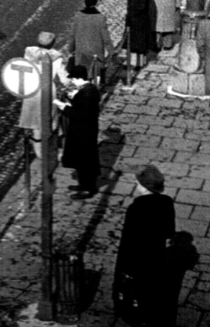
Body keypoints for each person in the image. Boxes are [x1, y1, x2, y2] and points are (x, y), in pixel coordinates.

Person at [113, 165, 177, 326]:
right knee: (153, 289)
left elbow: (128, 239)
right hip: (156, 255)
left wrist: (124, 266)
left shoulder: (136, 209)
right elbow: (169, 231)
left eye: (137, 183)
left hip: (137, 258)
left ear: (143, 186)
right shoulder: (166, 202)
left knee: (136, 290)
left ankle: (137, 317)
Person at [54, 65, 102, 198]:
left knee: (85, 160)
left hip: (84, 132)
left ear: (78, 78)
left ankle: (88, 188)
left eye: (73, 80)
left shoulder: (87, 94)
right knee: (82, 160)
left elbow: (81, 114)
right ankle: (83, 184)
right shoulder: (89, 90)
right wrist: (73, 98)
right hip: (85, 130)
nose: (72, 82)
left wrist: (63, 107)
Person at [19, 31, 67, 157]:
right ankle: (50, 150)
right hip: (47, 90)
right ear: (53, 43)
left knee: (33, 121)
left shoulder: (28, 51)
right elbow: (63, 78)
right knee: (49, 119)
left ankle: (36, 149)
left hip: (31, 89)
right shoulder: (56, 57)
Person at [66, 0, 114, 83]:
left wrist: (71, 49)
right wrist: (111, 52)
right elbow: (105, 38)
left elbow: (72, 34)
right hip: (96, 51)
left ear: (85, 3)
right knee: (95, 73)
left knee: (82, 73)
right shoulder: (100, 18)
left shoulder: (78, 16)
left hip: (81, 50)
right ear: (96, 4)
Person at [125, 0, 155, 70]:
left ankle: (137, 63)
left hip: (138, 20)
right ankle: (137, 62)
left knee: (138, 42)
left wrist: (133, 14)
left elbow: (141, 5)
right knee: (137, 41)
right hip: (138, 19)